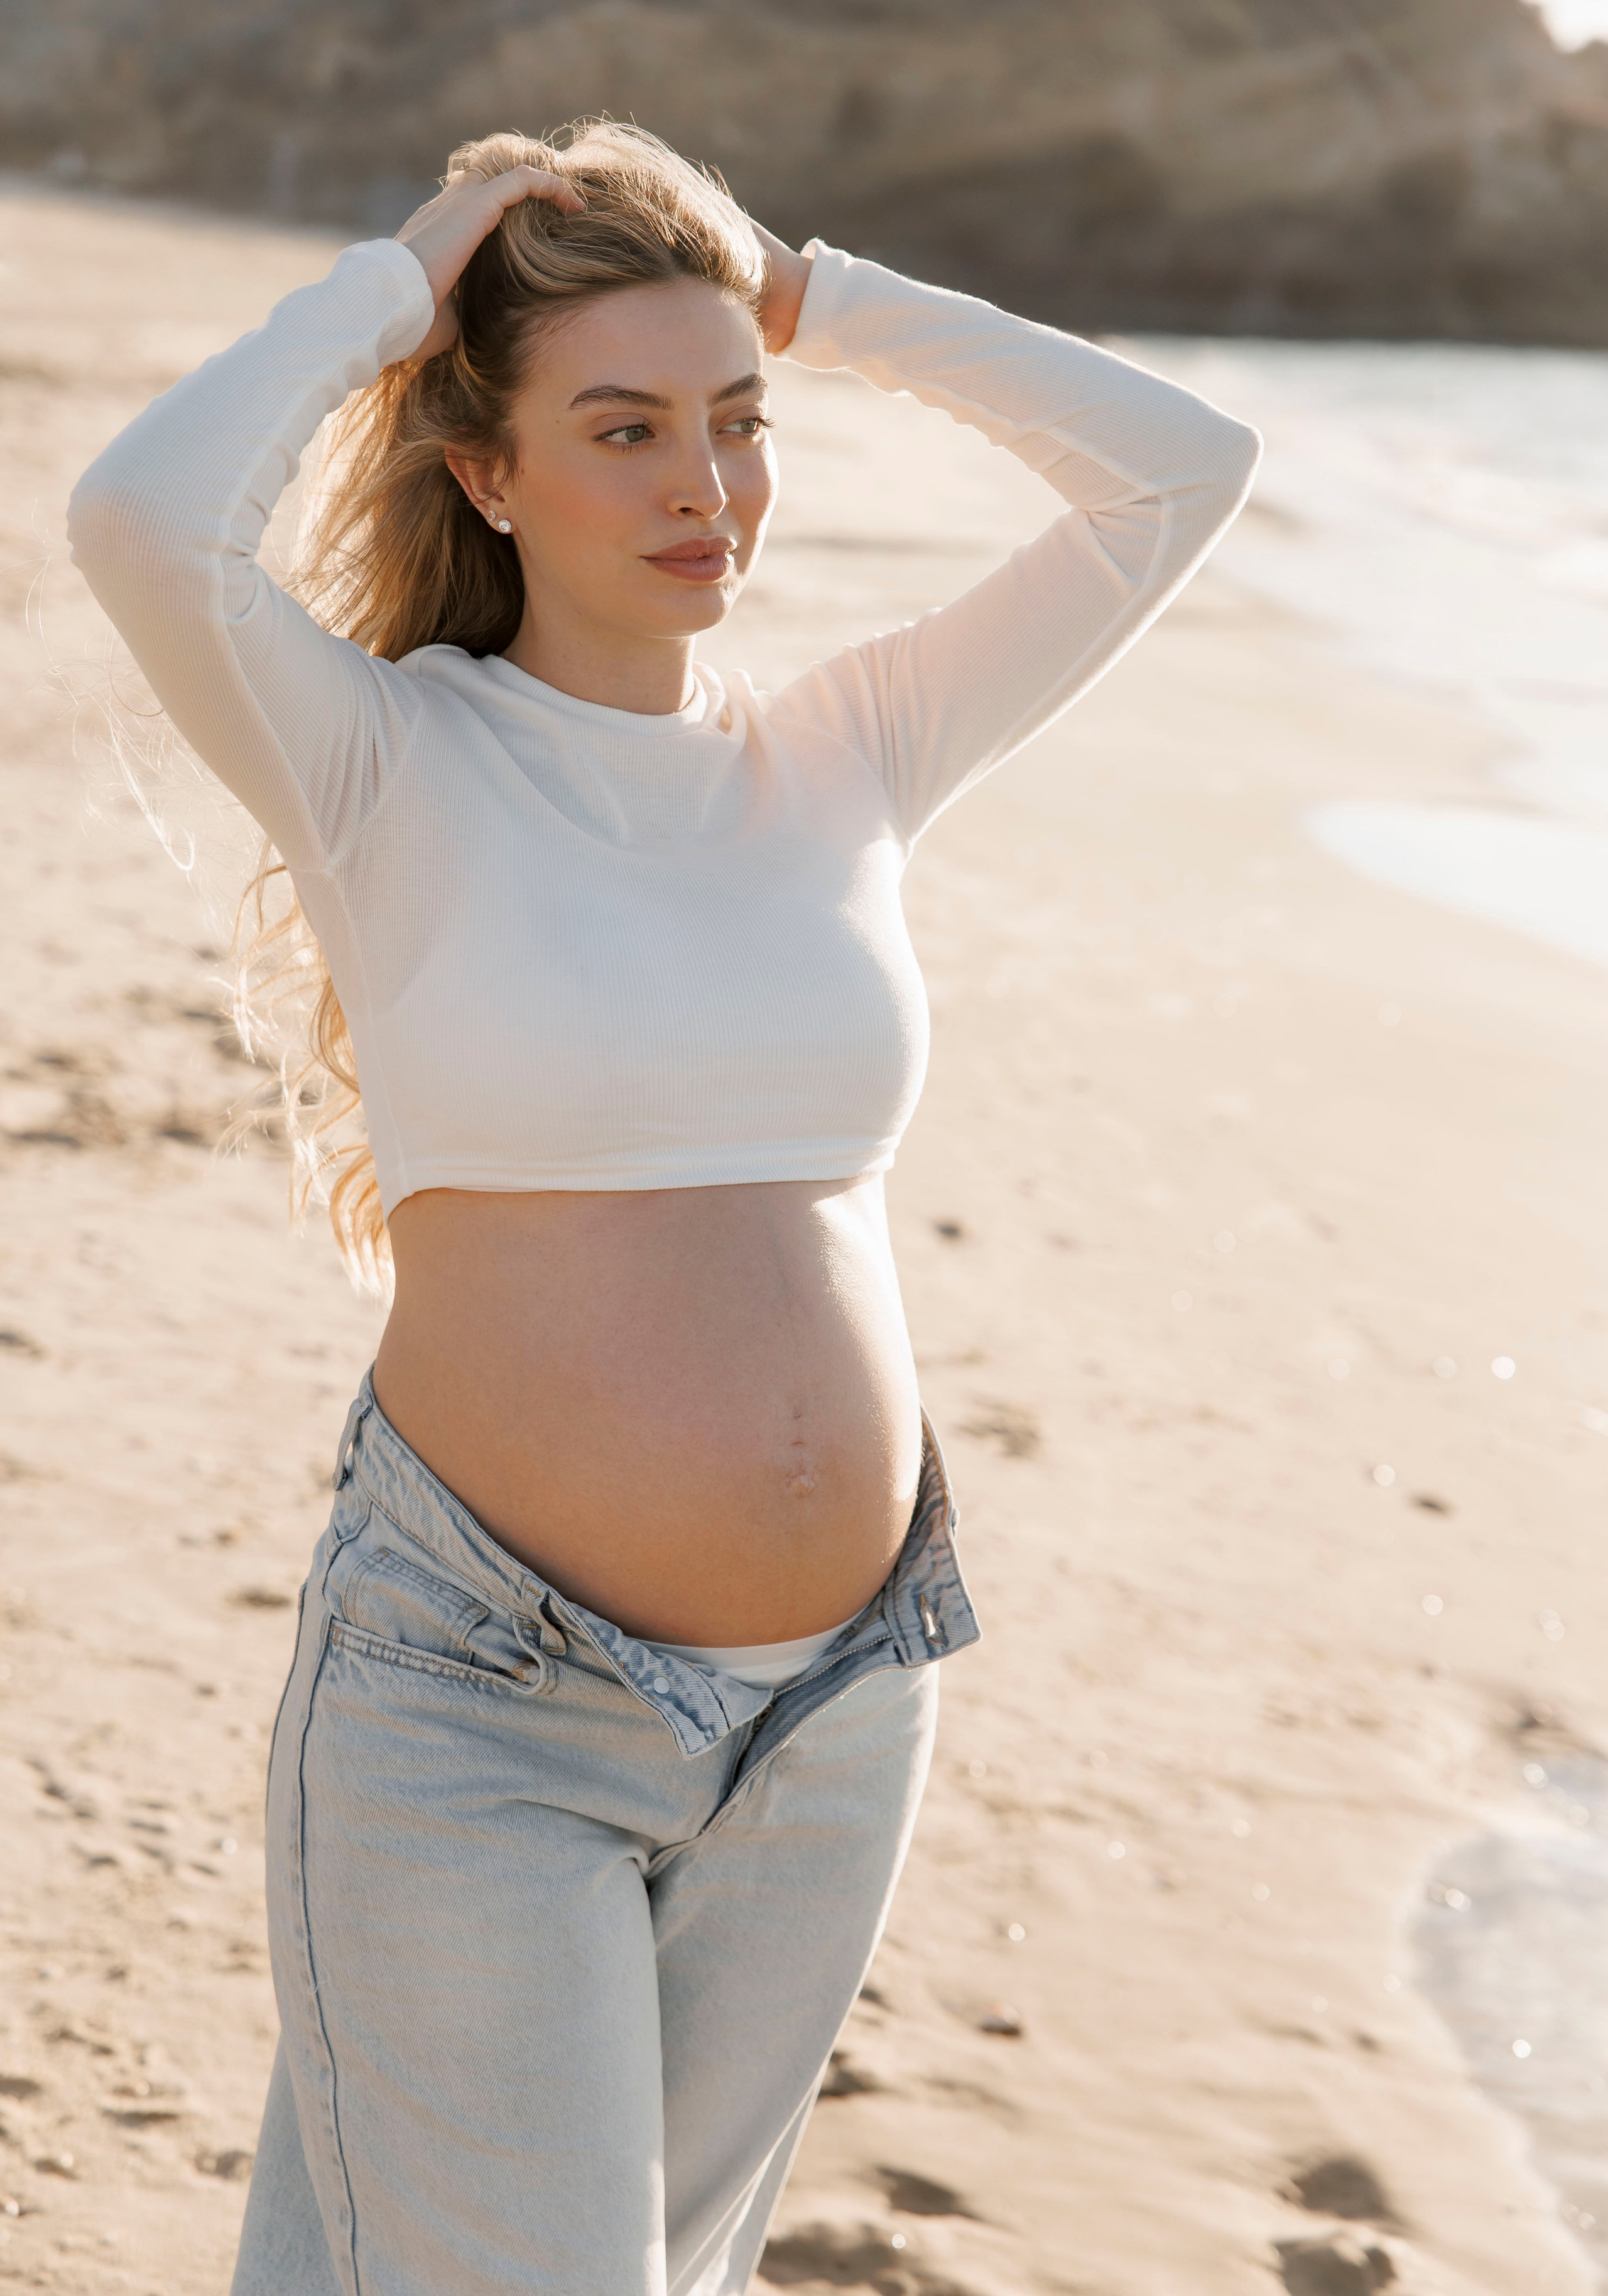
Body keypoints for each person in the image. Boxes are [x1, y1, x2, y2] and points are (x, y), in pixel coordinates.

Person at [68, 120, 1260, 2295]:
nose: (702, 480)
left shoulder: (848, 752)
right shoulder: (386, 763)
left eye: (736, 423)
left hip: (842, 1706)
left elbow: (1182, 467)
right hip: (478, 1696)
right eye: (621, 430)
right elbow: (141, 513)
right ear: (485, 471)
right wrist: (400, 286)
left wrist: (814, 296)